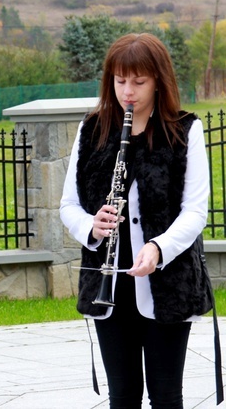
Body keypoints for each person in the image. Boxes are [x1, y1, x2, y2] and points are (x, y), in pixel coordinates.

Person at [60, 33, 213, 408]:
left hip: (168, 282)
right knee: (122, 395)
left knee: (165, 395)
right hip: (108, 284)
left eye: (139, 81)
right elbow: (67, 206)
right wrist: (92, 227)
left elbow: (195, 210)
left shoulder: (185, 130)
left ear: (158, 80)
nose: (128, 91)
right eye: (119, 80)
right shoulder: (92, 129)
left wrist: (159, 247)